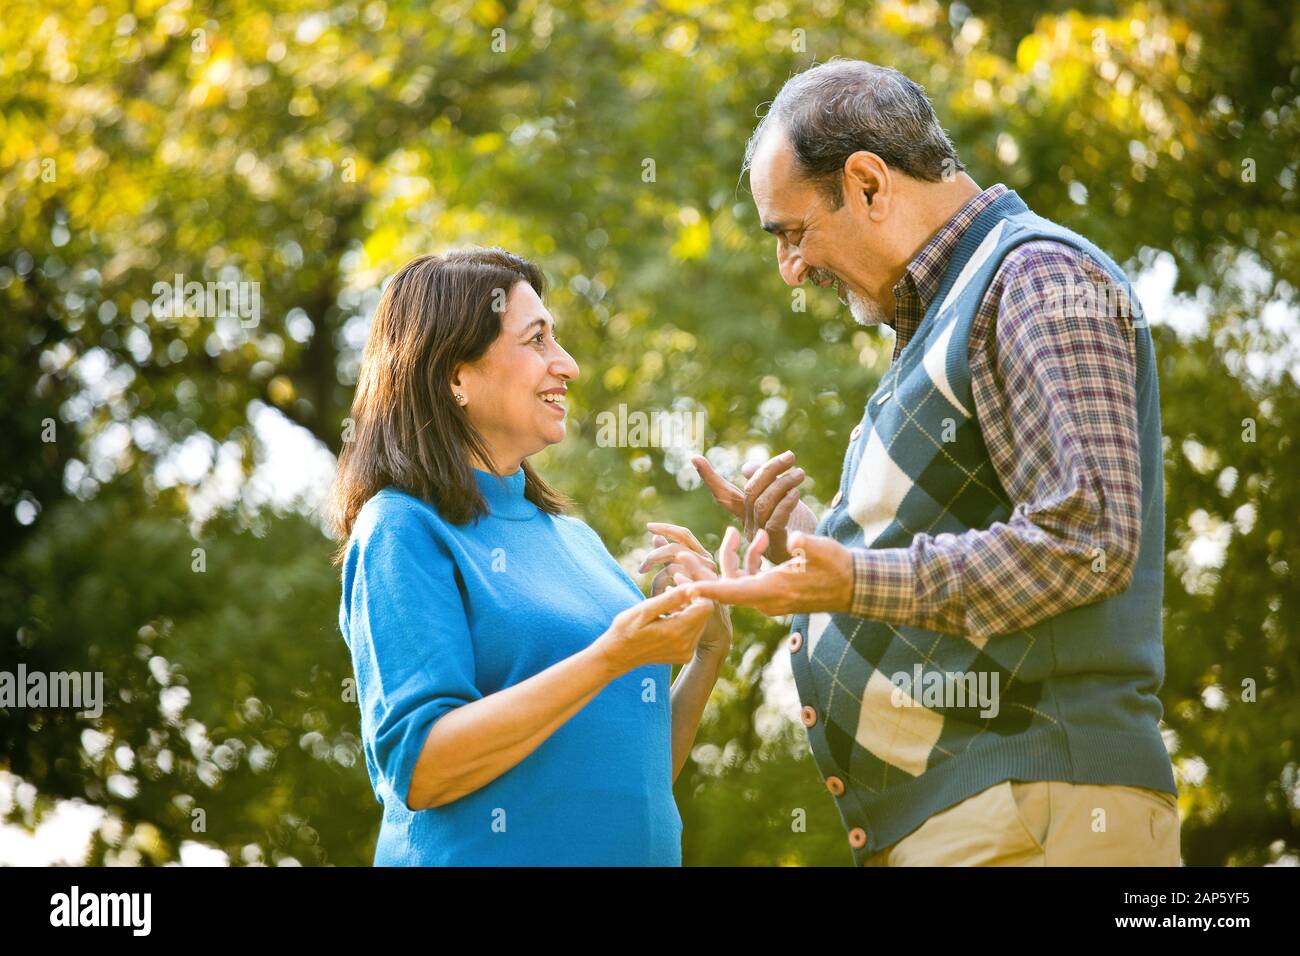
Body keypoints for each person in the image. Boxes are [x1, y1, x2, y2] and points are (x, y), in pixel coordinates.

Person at [686, 59, 1181, 866]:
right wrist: (809, 543)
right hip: (982, 822)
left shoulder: (1038, 275)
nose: (791, 270)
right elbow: (962, 537)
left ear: (869, 183)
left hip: (1043, 812)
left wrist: (848, 579)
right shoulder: (941, 317)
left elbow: (1089, 538)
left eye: (793, 232)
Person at [329, 248, 728, 865]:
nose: (565, 364)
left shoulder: (574, 539)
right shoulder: (402, 528)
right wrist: (610, 657)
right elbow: (423, 768)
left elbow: (634, 775)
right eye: (536, 339)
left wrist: (707, 653)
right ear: (454, 376)